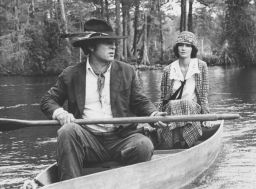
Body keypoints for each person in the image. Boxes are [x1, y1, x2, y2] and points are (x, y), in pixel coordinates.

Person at [40, 18, 166, 181]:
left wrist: (153, 114)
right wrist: (60, 113)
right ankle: (71, 184)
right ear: (91, 47)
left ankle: (131, 183)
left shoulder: (127, 71)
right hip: (88, 140)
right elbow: (47, 100)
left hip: (122, 139)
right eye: (107, 43)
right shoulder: (71, 75)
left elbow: (140, 101)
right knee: (67, 131)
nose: (113, 46)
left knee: (144, 145)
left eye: (113, 42)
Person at [157, 31, 210, 149]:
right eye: (181, 45)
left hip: (193, 110)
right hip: (171, 110)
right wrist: (156, 118)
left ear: (193, 49)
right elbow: (163, 97)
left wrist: (206, 117)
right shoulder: (168, 70)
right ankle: (175, 143)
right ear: (177, 48)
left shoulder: (201, 66)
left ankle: (186, 142)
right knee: (172, 104)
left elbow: (204, 94)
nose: (184, 48)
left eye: (188, 45)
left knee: (187, 103)